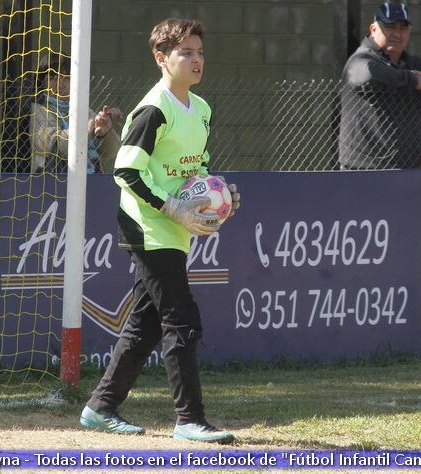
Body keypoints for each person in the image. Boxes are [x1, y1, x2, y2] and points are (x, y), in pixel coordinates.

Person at [79, 18, 240, 444]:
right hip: (148, 225)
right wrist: (172, 207)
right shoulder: (154, 108)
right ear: (161, 58)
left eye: (199, 52)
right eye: (186, 52)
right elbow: (126, 170)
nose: (196, 59)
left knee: (146, 325)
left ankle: (100, 407)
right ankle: (190, 420)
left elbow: (196, 170)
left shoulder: (201, 109)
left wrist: (215, 198)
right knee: (181, 318)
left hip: (174, 226)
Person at [339, 2, 421, 170]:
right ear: (373, 29)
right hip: (364, 170)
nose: (397, 33)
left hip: (409, 169)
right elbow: (369, 74)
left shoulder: (411, 63)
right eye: (390, 27)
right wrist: (413, 80)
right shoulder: (360, 59)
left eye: (403, 28)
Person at [30, 56, 123, 173]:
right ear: (42, 82)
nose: (60, 85)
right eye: (53, 78)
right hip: (51, 183)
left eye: (66, 78)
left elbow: (111, 152)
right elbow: (56, 146)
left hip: (91, 180)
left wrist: (105, 131)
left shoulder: (83, 109)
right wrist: (88, 128)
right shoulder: (39, 109)